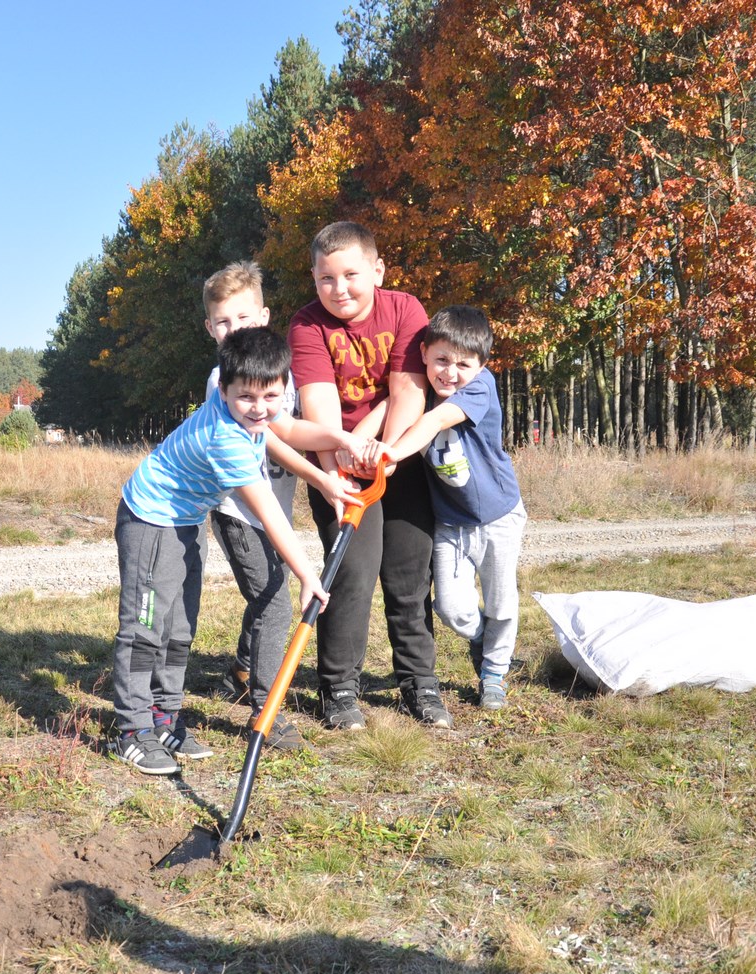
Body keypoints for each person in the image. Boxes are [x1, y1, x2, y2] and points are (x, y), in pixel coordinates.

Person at [111, 326, 381, 775]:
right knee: (146, 626)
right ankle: (132, 730)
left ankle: (163, 717)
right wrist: (307, 577)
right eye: (247, 399)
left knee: (178, 628)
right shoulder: (226, 439)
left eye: (271, 397)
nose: (260, 409)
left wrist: (334, 457)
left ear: (283, 387)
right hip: (150, 520)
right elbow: (271, 515)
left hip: (186, 520)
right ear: (224, 390)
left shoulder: (246, 403)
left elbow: (283, 432)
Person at [289, 221, 447, 730]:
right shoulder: (306, 327)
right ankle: (337, 689)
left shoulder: (405, 309)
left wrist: (389, 455)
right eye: (326, 280)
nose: (340, 290)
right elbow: (320, 410)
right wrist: (336, 477)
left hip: (398, 457)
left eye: (351, 275)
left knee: (408, 574)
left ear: (377, 270)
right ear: (314, 280)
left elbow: (407, 392)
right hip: (336, 465)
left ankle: (419, 683)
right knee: (352, 573)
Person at [200, 262, 358, 752]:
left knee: (266, 589)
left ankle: (244, 670)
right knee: (273, 598)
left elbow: (289, 430)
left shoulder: (278, 377)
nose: (234, 330)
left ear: (264, 317)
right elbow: (271, 440)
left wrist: (336, 444)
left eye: (243, 319)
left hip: (272, 505)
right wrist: (319, 474)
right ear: (211, 330)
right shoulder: (223, 380)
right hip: (238, 508)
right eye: (223, 323)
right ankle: (266, 708)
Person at [383, 306, 526, 712]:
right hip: (450, 522)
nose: (450, 372)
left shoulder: (480, 388)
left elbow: (432, 425)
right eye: (442, 360)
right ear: (424, 353)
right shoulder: (417, 393)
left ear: (481, 365)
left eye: (463, 364)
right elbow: (391, 408)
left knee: (501, 602)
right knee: (450, 607)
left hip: (499, 517)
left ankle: (494, 674)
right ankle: (481, 639)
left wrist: (390, 455)